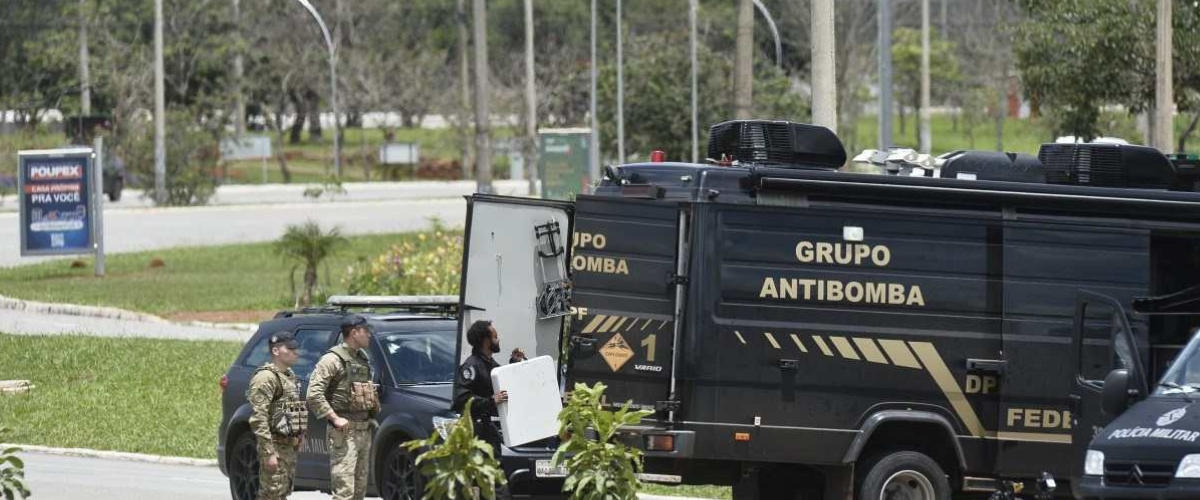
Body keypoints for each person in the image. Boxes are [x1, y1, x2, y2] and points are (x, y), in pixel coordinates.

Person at [307, 314, 379, 500]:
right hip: (344, 432)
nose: (369, 335)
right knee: (344, 493)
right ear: (354, 333)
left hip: (363, 430)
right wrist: (334, 418)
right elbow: (313, 394)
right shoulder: (332, 360)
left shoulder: (362, 358)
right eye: (366, 331)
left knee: (359, 492)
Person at [247, 331, 306, 500]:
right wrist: (268, 452)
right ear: (276, 351)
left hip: (287, 448)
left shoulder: (289, 376)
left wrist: (300, 434)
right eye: (290, 349)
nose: (296, 353)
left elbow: (290, 409)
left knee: (280, 494)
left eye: (296, 349)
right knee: (270, 495)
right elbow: (259, 418)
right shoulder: (265, 377)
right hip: (274, 447)